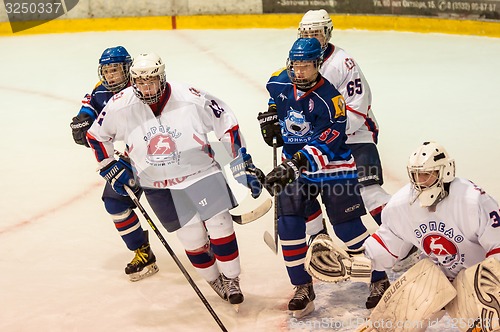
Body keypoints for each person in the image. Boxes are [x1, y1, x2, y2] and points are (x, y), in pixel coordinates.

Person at [86, 52, 251, 307]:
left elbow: (226, 122)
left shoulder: (190, 97)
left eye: (151, 81)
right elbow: (97, 136)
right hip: (158, 186)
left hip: (202, 173)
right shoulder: (120, 105)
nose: (146, 87)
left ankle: (232, 279)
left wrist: (240, 161)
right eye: (140, 82)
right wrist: (109, 166)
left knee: (220, 226)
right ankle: (214, 279)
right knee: (193, 238)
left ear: (162, 77)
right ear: (133, 81)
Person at [308, 142, 500, 331]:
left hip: (477, 279)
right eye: (416, 174)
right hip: (438, 278)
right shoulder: (402, 206)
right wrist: (349, 266)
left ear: (445, 172)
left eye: (427, 174)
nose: (420, 181)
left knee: (486, 286)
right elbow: (383, 249)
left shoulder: (472, 200)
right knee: (390, 320)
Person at [260, 37, 371, 318]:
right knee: (289, 225)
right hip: (295, 166)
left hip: (332, 167)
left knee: (348, 230)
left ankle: (379, 277)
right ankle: (302, 287)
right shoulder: (279, 80)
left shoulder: (331, 100)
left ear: (318, 65)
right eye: (295, 65)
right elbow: (274, 95)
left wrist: (295, 164)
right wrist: (273, 115)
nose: (299, 72)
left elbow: (327, 144)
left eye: (306, 66)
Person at [70, 46, 159, 282]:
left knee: (178, 198)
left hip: (160, 153)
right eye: (107, 71)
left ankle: (208, 237)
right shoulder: (101, 90)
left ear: (127, 69)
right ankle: (142, 251)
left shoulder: (142, 86)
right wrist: (82, 121)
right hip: (133, 158)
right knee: (114, 202)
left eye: (115, 70)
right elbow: (89, 108)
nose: (110, 76)